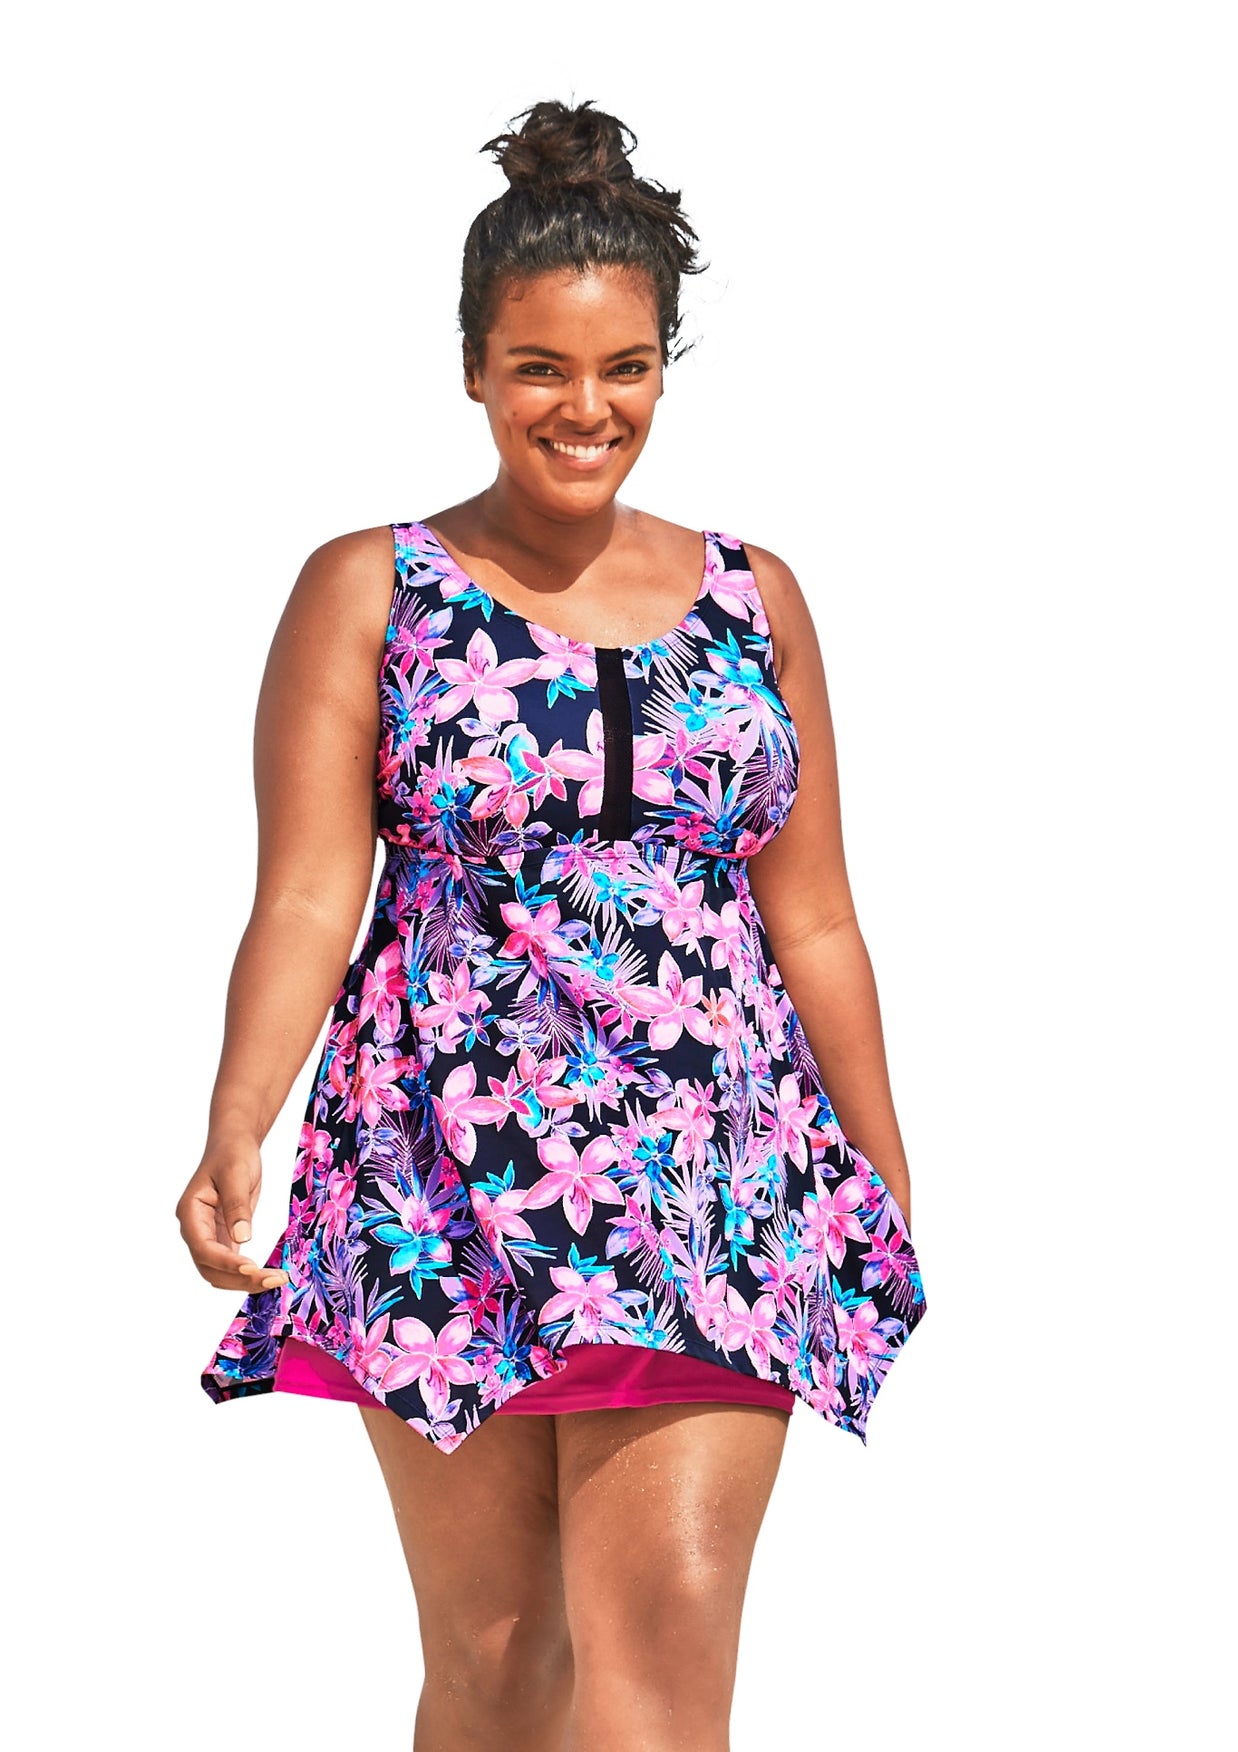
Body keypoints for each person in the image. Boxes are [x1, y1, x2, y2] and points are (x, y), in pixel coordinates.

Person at [179, 97, 928, 1751]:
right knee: (500, 1666)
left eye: (625, 369)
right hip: (438, 1164)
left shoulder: (757, 597)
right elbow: (306, 891)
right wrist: (240, 1121)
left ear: (663, 368)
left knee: (660, 1660)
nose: (586, 410)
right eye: (540, 368)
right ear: (473, 366)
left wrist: (878, 1174)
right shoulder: (370, 586)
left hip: (714, 1166)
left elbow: (815, 918)